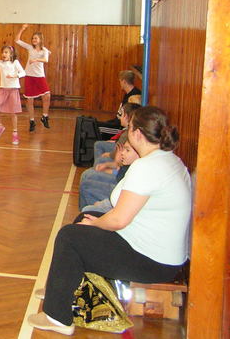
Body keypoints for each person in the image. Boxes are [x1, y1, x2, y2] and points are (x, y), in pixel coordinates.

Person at [27, 106, 191, 335]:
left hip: (153, 262)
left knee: (70, 237)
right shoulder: (167, 160)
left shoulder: (147, 167)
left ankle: (57, 317)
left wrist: (96, 224)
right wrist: (94, 222)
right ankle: (63, 289)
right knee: (84, 218)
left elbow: (119, 220)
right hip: (157, 253)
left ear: (137, 134)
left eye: (130, 127)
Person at [80, 134, 140, 214]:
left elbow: (120, 194)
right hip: (118, 190)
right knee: (88, 175)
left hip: (118, 195)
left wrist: (102, 205)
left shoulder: (137, 167)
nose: (123, 152)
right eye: (123, 150)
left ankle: (91, 214)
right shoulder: (133, 164)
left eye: (127, 150)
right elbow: (120, 171)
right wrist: (109, 165)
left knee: (87, 180)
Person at [0, 44, 25, 145]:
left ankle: (15, 133)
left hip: (13, 90)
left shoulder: (15, 62)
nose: (4, 54)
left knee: (13, 113)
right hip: (3, 90)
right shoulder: (0, 63)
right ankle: (0, 126)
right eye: (3, 52)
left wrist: (15, 75)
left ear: (11, 54)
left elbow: (23, 72)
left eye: (6, 52)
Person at [15, 24, 51, 132]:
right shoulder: (30, 48)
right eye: (33, 38)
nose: (34, 40)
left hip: (40, 76)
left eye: (36, 38)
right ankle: (31, 121)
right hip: (29, 76)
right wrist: (22, 29)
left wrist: (36, 60)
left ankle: (45, 116)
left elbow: (46, 60)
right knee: (29, 100)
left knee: (47, 96)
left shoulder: (44, 50)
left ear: (40, 40)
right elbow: (17, 40)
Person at [97, 70, 142, 140]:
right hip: (117, 123)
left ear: (124, 81)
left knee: (96, 127)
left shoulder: (134, 96)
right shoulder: (127, 94)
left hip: (120, 127)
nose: (120, 83)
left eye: (120, 81)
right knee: (95, 123)